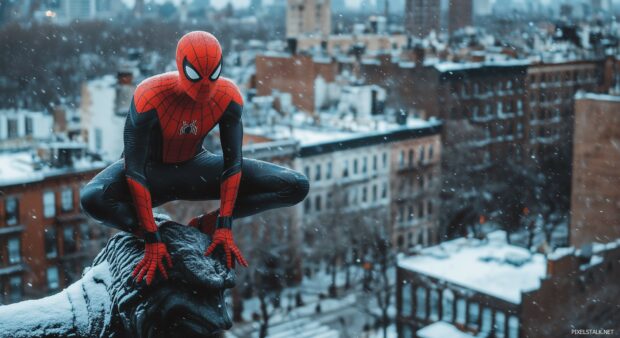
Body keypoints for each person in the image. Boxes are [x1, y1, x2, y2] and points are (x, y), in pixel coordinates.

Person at [80, 31, 309, 285]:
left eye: (213, 75)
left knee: (295, 186)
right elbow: (133, 170)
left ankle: (203, 223)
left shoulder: (229, 96)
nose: (204, 85)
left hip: (195, 167)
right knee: (92, 198)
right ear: (181, 67)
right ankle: (155, 230)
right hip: (149, 174)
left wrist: (223, 223)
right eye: (194, 75)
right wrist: (151, 238)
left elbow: (233, 164)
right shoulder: (149, 95)